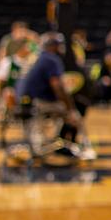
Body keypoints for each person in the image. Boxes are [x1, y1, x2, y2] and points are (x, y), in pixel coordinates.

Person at [14, 33, 95, 161]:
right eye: (60, 45)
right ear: (53, 47)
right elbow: (58, 87)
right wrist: (70, 109)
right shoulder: (51, 59)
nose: (62, 48)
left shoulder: (36, 57)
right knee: (77, 110)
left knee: (67, 108)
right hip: (38, 103)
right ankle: (80, 147)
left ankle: (60, 140)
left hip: (21, 102)